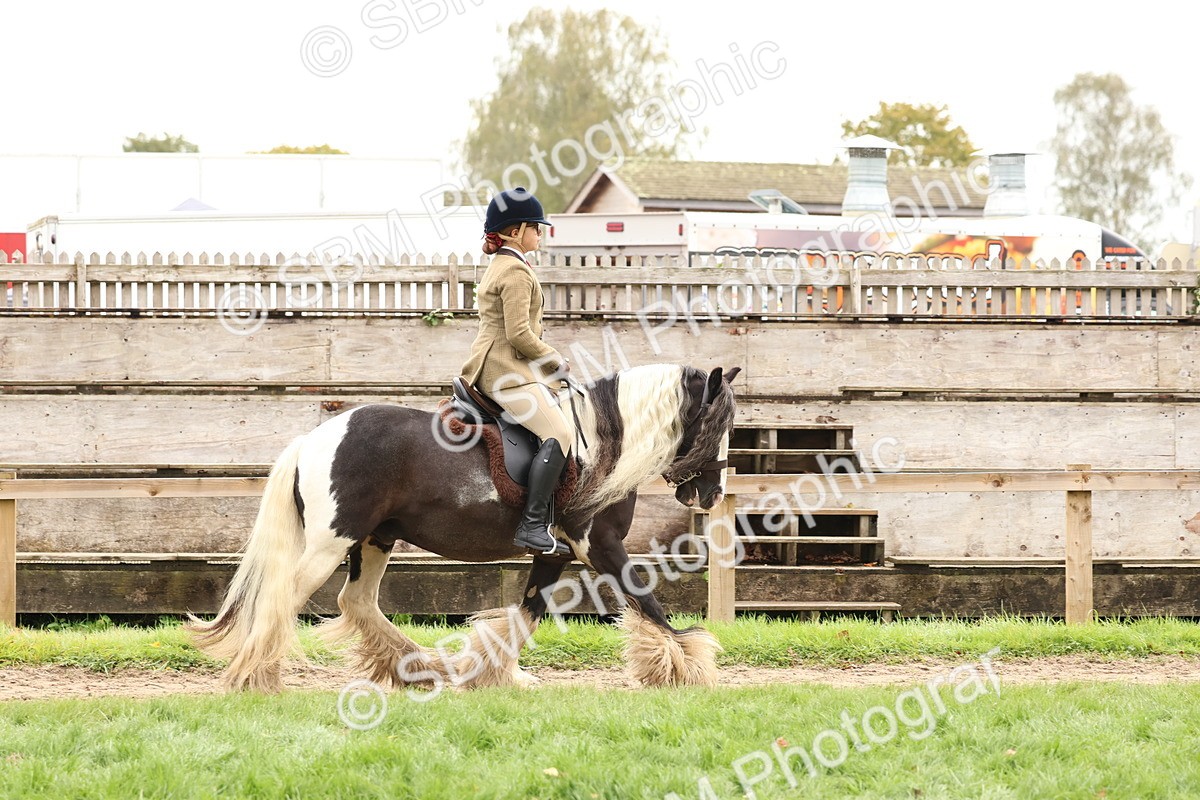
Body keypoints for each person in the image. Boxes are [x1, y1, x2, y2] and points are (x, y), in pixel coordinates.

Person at [460, 188, 574, 557]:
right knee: (559, 432)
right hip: (503, 371)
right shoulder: (515, 272)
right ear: (515, 231)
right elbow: (519, 334)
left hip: (504, 365)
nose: (541, 233)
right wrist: (556, 361)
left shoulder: (504, 265)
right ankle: (533, 526)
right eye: (536, 228)